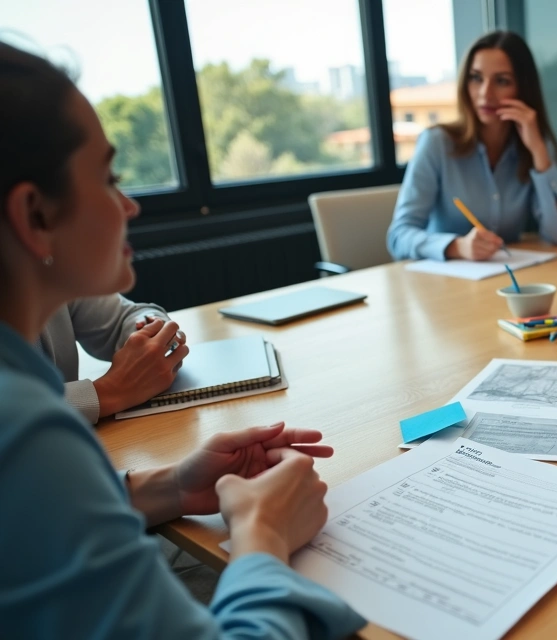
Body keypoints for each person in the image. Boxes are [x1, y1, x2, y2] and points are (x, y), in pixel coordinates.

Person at [0, 42, 364, 638]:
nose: (131, 204)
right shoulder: (24, 432)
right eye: (108, 177)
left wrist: (174, 485)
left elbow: (31, 526)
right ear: (34, 215)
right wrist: (262, 535)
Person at [386, 30, 557, 262]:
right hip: (443, 285)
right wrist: (457, 247)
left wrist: (538, 151)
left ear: (522, 88)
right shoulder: (436, 143)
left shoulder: (532, 146)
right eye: (476, 78)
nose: (485, 94)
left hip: (504, 278)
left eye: (501, 81)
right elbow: (399, 236)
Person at [41, 294, 189, 423]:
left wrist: (151, 330)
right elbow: (19, 410)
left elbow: (125, 315)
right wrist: (108, 390)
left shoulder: (56, 274)